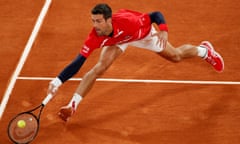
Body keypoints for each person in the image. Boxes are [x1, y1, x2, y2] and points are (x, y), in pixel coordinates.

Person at [48, 3, 224, 121]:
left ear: (109, 20)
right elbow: (78, 63)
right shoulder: (95, 36)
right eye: (93, 21)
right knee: (99, 68)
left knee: (176, 56)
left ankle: (204, 51)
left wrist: (163, 30)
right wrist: (57, 81)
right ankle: (73, 105)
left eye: (99, 21)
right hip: (119, 40)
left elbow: (155, 14)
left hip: (143, 34)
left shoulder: (130, 21)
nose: (95, 25)